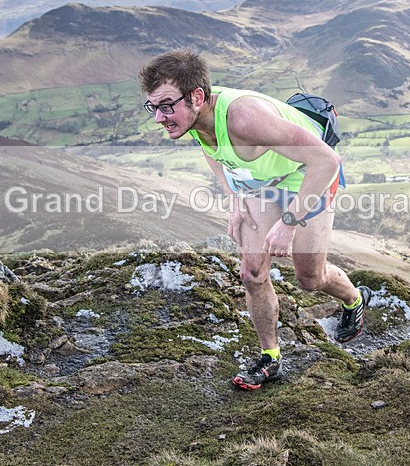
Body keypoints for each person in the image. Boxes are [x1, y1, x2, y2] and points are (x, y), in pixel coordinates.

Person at [138, 50, 371, 390]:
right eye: (153, 107)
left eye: (166, 106)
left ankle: (354, 299)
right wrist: (234, 200)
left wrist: (289, 222)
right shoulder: (190, 118)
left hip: (308, 173)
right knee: (252, 273)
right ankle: (270, 358)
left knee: (309, 278)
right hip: (265, 183)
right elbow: (212, 149)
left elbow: (327, 161)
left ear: (197, 97)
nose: (159, 117)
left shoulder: (245, 119)